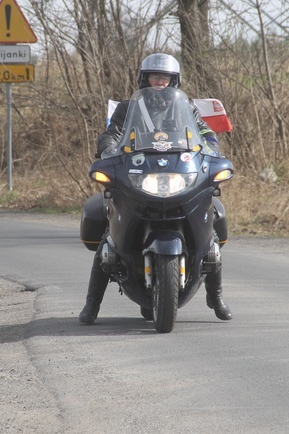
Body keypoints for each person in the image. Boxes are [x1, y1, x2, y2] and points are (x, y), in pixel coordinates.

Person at [79, 53, 232, 324]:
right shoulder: (127, 109)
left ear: (174, 81)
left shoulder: (187, 109)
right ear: (144, 78)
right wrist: (108, 150)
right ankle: (91, 305)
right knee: (108, 236)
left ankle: (216, 297)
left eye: (165, 78)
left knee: (214, 217)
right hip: (140, 173)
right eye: (154, 77)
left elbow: (206, 134)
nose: (159, 82)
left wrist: (212, 150)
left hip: (180, 174)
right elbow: (111, 134)